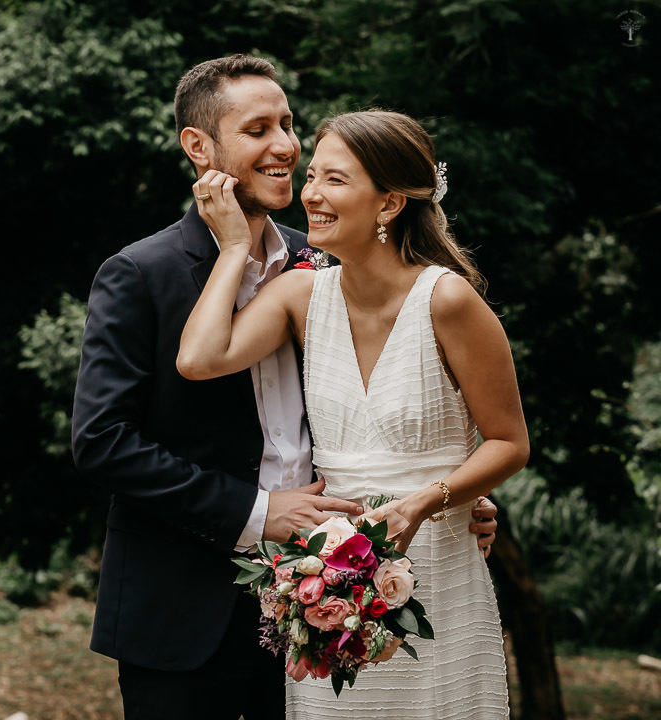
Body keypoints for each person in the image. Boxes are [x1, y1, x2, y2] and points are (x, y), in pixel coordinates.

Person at [72, 55, 498, 720]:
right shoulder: (139, 274)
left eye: (289, 124)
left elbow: (395, 398)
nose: (285, 147)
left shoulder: (325, 261)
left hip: (338, 605)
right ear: (199, 147)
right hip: (184, 611)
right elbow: (102, 443)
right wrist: (257, 512)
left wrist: (448, 492)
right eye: (258, 129)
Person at [176, 109, 528, 719]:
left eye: (334, 180)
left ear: (389, 203)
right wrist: (234, 246)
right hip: (325, 581)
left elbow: (508, 443)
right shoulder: (300, 295)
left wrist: (427, 501)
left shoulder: (447, 300)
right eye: (312, 176)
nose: (309, 193)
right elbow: (200, 358)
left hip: (439, 564)